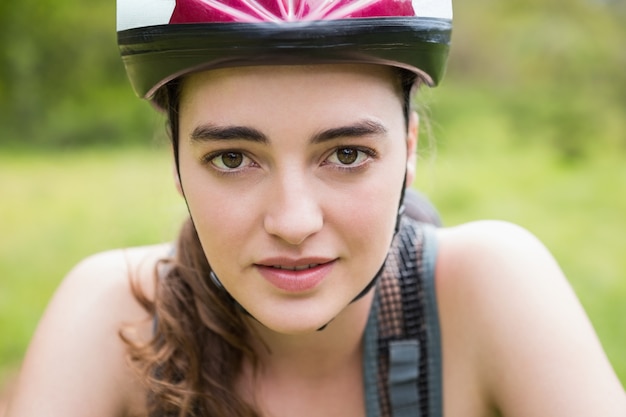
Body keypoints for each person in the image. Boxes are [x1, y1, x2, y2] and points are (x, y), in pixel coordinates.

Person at [6, 0, 626, 416]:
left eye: (348, 154)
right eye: (232, 158)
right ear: (176, 163)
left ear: (407, 149)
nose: (295, 221)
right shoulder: (119, 317)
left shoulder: (491, 286)